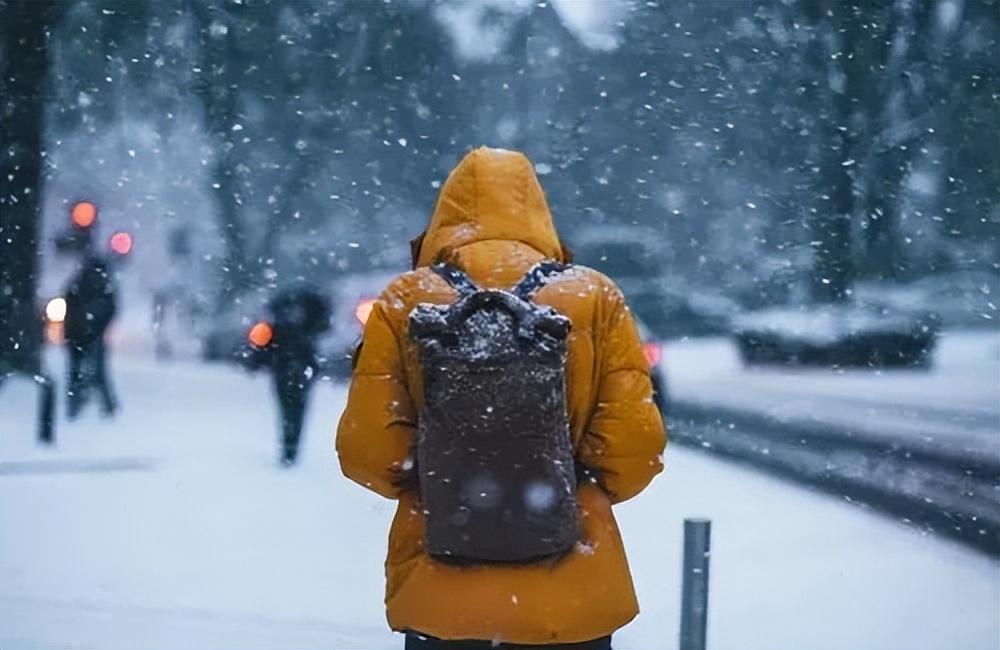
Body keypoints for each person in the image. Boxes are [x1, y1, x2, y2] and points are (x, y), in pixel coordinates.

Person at [336, 146, 667, 649]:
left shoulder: (405, 301)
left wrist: (450, 480)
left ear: (444, 216)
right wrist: (558, 488)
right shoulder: (595, 297)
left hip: (441, 598)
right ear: (538, 212)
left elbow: (368, 453)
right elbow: (635, 451)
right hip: (572, 602)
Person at [260, 282, 330, 466]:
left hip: (287, 367)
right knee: (295, 408)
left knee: (289, 408)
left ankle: (289, 446)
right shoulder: (310, 322)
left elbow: (266, 343)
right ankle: (290, 447)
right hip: (297, 367)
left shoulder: (283, 320)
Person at [63, 253, 119, 419]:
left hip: (77, 335)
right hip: (93, 335)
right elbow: (110, 309)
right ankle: (107, 408)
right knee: (98, 373)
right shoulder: (103, 285)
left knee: (76, 373)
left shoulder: (79, 282)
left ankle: (75, 407)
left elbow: (69, 303)